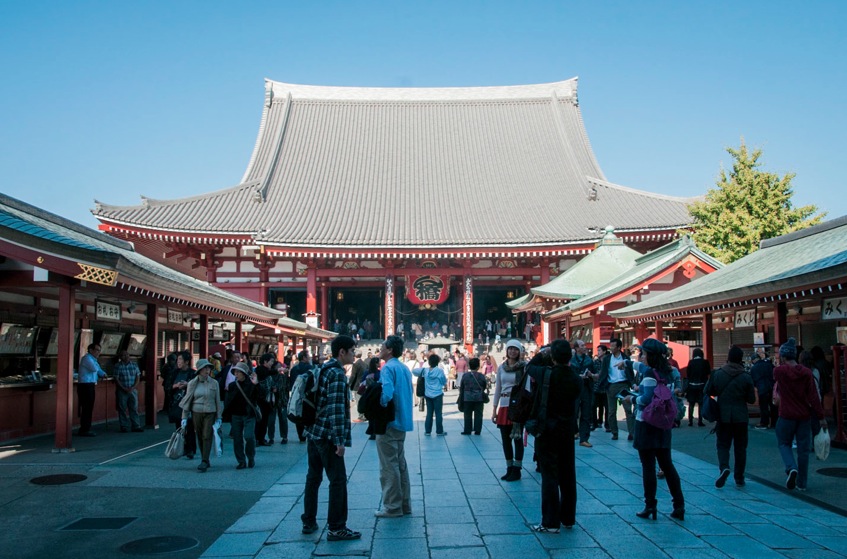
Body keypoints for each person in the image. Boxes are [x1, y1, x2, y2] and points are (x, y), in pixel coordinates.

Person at [301, 335, 362, 541]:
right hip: (327, 434)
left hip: (313, 431)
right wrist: (339, 441)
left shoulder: (322, 369)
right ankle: (336, 527)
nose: (354, 354)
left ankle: (309, 520)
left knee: (313, 478)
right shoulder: (336, 374)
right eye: (352, 351)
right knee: (338, 480)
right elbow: (336, 409)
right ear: (342, 352)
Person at [525, 340, 582, 532]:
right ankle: (568, 518)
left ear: (553, 356)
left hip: (547, 429)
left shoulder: (546, 373)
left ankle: (550, 522)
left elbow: (529, 367)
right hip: (567, 429)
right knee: (568, 474)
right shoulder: (576, 377)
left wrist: (542, 353)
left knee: (549, 475)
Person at [626, 338, 685, 521]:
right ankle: (679, 505)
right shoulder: (670, 372)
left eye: (643, 354)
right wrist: (627, 363)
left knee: (648, 466)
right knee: (667, 465)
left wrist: (631, 398)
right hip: (663, 424)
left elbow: (646, 399)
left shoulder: (650, 375)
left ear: (650, 355)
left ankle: (650, 505)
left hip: (647, 423)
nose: (641, 357)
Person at [773, 338, 827, 491]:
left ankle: (791, 467)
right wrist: (821, 417)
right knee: (803, 450)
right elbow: (813, 397)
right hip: (804, 415)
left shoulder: (779, 371)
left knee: (784, 443)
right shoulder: (807, 373)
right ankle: (802, 483)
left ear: (783, 356)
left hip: (786, 414)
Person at [704, 346, 756, 488]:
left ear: (728, 357)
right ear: (740, 359)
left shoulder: (718, 374)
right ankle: (739, 477)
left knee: (722, 445)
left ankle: (724, 467)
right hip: (741, 416)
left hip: (723, 415)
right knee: (740, 448)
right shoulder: (746, 376)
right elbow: (751, 399)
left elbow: (708, 390)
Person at [375, 335, 413, 518]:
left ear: (389, 350)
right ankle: (405, 504)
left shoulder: (388, 368)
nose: (380, 348)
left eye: (383, 346)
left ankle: (392, 506)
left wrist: (379, 404)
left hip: (389, 422)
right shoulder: (404, 368)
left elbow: (387, 393)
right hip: (402, 420)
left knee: (388, 465)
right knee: (400, 463)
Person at [491, 339, 527, 482]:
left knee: (517, 439)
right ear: (506, 350)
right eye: (510, 348)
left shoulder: (524, 367)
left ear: (519, 351)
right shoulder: (501, 368)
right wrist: (494, 409)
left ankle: (517, 469)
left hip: (517, 406)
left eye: (515, 349)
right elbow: (498, 389)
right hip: (504, 405)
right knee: (506, 440)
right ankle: (509, 467)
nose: (512, 351)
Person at [180, 359, 223, 473]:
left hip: (210, 412)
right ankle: (205, 457)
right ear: (199, 370)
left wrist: (219, 417)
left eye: (208, 368)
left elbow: (217, 400)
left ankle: (204, 460)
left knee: (206, 435)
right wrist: (184, 417)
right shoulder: (192, 383)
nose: (207, 370)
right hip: (196, 412)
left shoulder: (214, 383)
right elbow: (187, 400)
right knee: (199, 435)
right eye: (205, 368)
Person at [224, 362, 259, 469]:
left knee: (249, 436)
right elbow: (228, 400)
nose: (236, 374)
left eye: (238, 372)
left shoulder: (251, 384)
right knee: (237, 439)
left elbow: (260, 396)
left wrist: (256, 384)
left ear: (244, 373)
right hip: (236, 415)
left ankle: (251, 457)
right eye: (235, 372)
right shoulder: (232, 385)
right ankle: (241, 461)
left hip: (248, 415)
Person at [598, 338, 635, 441]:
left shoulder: (625, 358)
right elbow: (603, 372)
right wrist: (603, 384)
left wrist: (632, 383)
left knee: (628, 409)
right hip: (611, 385)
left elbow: (630, 372)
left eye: (613, 346)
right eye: (610, 346)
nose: (611, 348)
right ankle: (614, 432)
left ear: (619, 347)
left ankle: (631, 433)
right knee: (611, 411)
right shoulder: (607, 359)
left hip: (623, 385)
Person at [413, 354, 448, 436]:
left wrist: (422, 371)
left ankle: (427, 431)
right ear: (437, 362)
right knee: (438, 413)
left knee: (429, 413)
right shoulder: (439, 371)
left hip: (428, 394)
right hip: (438, 394)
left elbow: (414, 371)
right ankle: (439, 431)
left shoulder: (425, 371)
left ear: (429, 362)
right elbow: (443, 381)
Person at [76, 343, 107, 437]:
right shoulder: (87, 359)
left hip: (91, 385)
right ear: (90, 350)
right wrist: (99, 369)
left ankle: (87, 428)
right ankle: (84, 429)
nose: (98, 352)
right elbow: (94, 369)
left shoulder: (94, 360)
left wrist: (103, 374)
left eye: (99, 350)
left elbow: (99, 370)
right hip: (85, 385)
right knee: (86, 408)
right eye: (97, 350)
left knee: (89, 408)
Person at [571, 340, 597, 448]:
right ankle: (573, 432)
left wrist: (591, 375)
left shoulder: (589, 360)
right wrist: (578, 377)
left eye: (584, 345)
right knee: (573, 413)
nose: (584, 347)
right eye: (582, 345)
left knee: (586, 414)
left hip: (586, 388)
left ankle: (584, 438)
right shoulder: (571, 360)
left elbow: (595, 374)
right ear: (576, 348)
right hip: (575, 390)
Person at [172, 351, 197, 459]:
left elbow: (197, 386)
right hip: (176, 403)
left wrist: (188, 385)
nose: (178, 361)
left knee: (190, 426)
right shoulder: (174, 373)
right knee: (179, 426)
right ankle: (181, 447)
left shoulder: (193, 373)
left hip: (189, 403)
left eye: (180, 359)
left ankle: (191, 449)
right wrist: (176, 385)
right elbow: (168, 385)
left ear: (186, 362)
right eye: (178, 359)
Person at [113, 350, 143, 433]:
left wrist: (133, 387)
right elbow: (116, 379)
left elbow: (138, 377)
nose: (126, 356)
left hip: (133, 390)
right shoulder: (117, 366)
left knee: (134, 408)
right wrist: (123, 388)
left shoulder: (134, 365)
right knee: (122, 408)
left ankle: (136, 425)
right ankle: (124, 426)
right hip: (122, 390)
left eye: (127, 355)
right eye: (123, 355)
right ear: (120, 357)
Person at [289, 351, 313, 443]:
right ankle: (307, 434)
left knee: (298, 413)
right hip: (308, 396)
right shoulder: (310, 368)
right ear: (304, 358)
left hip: (297, 394)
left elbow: (292, 382)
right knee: (308, 414)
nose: (310, 358)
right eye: (308, 356)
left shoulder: (294, 369)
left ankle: (301, 436)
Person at [750, 348, 777, 429]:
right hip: (771, 388)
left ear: (753, 360)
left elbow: (753, 381)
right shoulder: (768, 364)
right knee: (773, 406)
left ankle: (764, 423)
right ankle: (774, 423)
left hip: (762, 389)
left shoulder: (754, 368)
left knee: (763, 407)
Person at [459, 357, 487, 436]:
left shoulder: (465, 375)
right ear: (478, 367)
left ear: (469, 366)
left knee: (467, 414)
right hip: (479, 397)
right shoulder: (481, 376)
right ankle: (477, 430)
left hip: (467, 397)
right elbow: (484, 385)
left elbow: (462, 386)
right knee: (478, 414)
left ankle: (467, 429)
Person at [685, 348, 710, 427]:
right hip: (702, 385)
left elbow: (688, 374)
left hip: (691, 385)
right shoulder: (705, 362)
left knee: (691, 403)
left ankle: (690, 421)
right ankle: (700, 421)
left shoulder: (691, 362)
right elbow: (708, 372)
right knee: (701, 403)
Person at [254, 353, 276, 445]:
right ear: (265, 361)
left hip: (266, 400)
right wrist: (278, 370)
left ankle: (261, 438)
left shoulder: (267, 371)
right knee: (259, 420)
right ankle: (257, 439)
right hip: (260, 399)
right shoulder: (260, 370)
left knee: (264, 420)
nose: (272, 363)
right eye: (271, 361)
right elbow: (266, 374)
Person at [268, 362, 290, 444]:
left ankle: (284, 437)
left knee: (283, 419)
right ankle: (271, 437)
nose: (280, 368)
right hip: (272, 401)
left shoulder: (284, 377)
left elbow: (287, 387)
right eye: (278, 367)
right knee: (271, 420)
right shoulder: (270, 377)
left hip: (282, 400)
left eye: (280, 367)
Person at [592, 345, 608, 430]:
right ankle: (595, 422)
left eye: (599, 350)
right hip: (596, 386)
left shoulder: (608, 361)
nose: (598, 352)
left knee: (607, 407)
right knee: (594, 405)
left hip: (605, 387)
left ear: (604, 351)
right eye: (597, 350)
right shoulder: (595, 362)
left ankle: (607, 424)